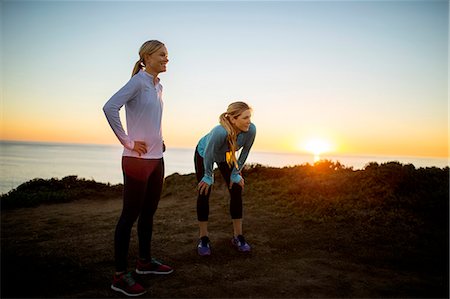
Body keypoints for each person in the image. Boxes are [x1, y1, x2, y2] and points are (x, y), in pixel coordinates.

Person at [103, 40, 173, 297]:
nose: (167, 59)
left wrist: (159, 139)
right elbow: (109, 107)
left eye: (167, 55)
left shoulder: (158, 86)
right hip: (136, 161)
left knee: (148, 213)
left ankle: (144, 263)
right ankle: (120, 276)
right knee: (129, 216)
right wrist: (127, 141)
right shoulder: (138, 82)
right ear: (147, 57)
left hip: (156, 159)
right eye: (162, 54)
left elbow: (150, 118)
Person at [195, 101, 256, 256]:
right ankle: (203, 238)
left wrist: (236, 173)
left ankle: (238, 236)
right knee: (204, 190)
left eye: (250, 117)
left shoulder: (250, 130)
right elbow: (209, 154)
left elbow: (244, 153)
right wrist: (208, 176)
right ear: (233, 119)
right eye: (245, 117)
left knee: (236, 188)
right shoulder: (219, 132)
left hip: (225, 155)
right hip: (204, 153)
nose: (249, 121)